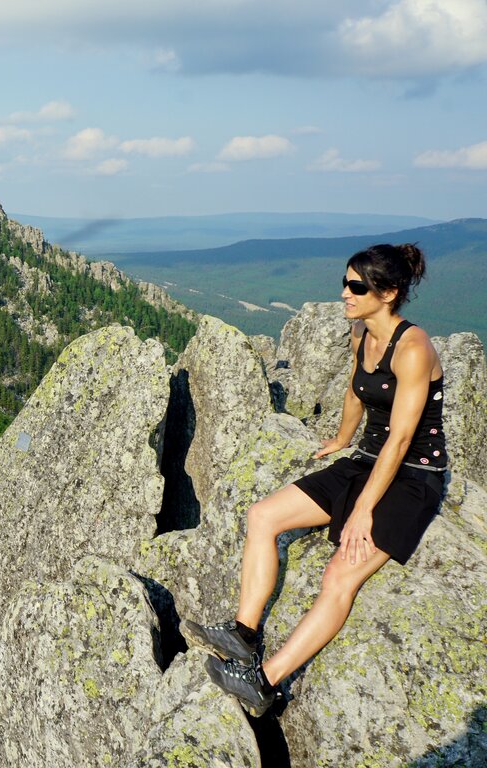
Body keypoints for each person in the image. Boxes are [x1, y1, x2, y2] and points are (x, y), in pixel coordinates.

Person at [181, 243, 447, 716]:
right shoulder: (363, 333)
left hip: (412, 477)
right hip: (366, 459)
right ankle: (243, 635)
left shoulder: (413, 348)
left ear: (388, 293)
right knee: (262, 516)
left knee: (338, 577)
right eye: (345, 282)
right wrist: (341, 439)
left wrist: (363, 510)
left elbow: (403, 439)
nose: (345, 293)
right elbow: (355, 389)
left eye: (356, 286)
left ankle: (264, 683)